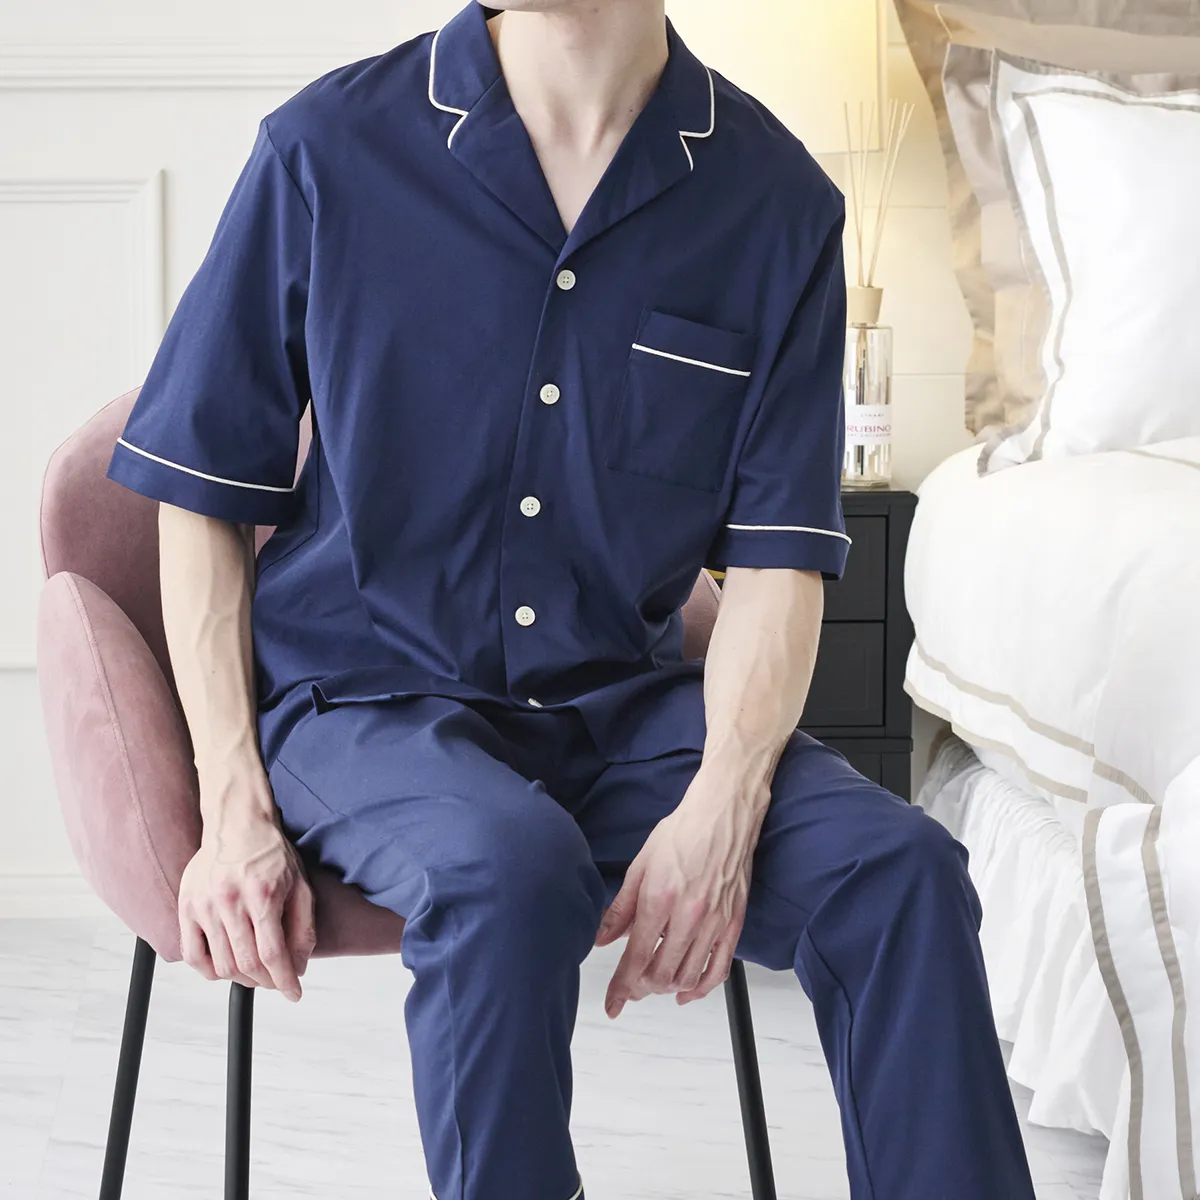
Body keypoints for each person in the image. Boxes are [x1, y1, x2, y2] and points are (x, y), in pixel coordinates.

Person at [105, 2, 1037, 1197]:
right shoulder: (327, 150)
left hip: (625, 711)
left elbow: (778, 565)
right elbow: (199, 492)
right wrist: (232, 802)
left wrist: (724, 803)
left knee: (901, 873)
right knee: (509, 866)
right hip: (362, 700)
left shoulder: (774, 204)